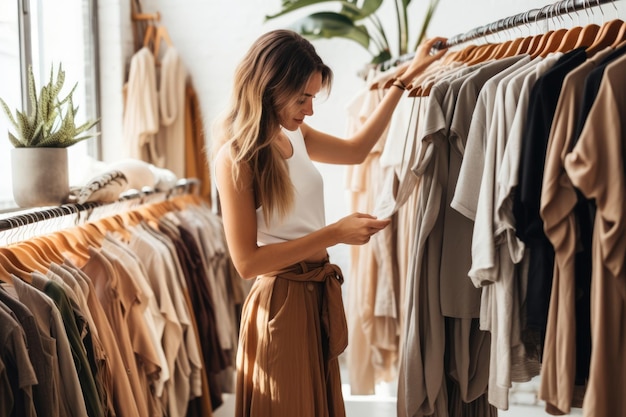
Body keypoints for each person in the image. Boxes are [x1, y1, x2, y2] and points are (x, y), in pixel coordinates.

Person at [212, 29, 447, 417]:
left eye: (312, 98)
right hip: (280, 304)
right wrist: (335, 233)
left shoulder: (295, 134)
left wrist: (408, 75)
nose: (309, 109)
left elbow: (358, 149)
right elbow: (247, 263)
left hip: (313, 294)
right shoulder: (235, 158)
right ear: (270, 86)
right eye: (302, 98)